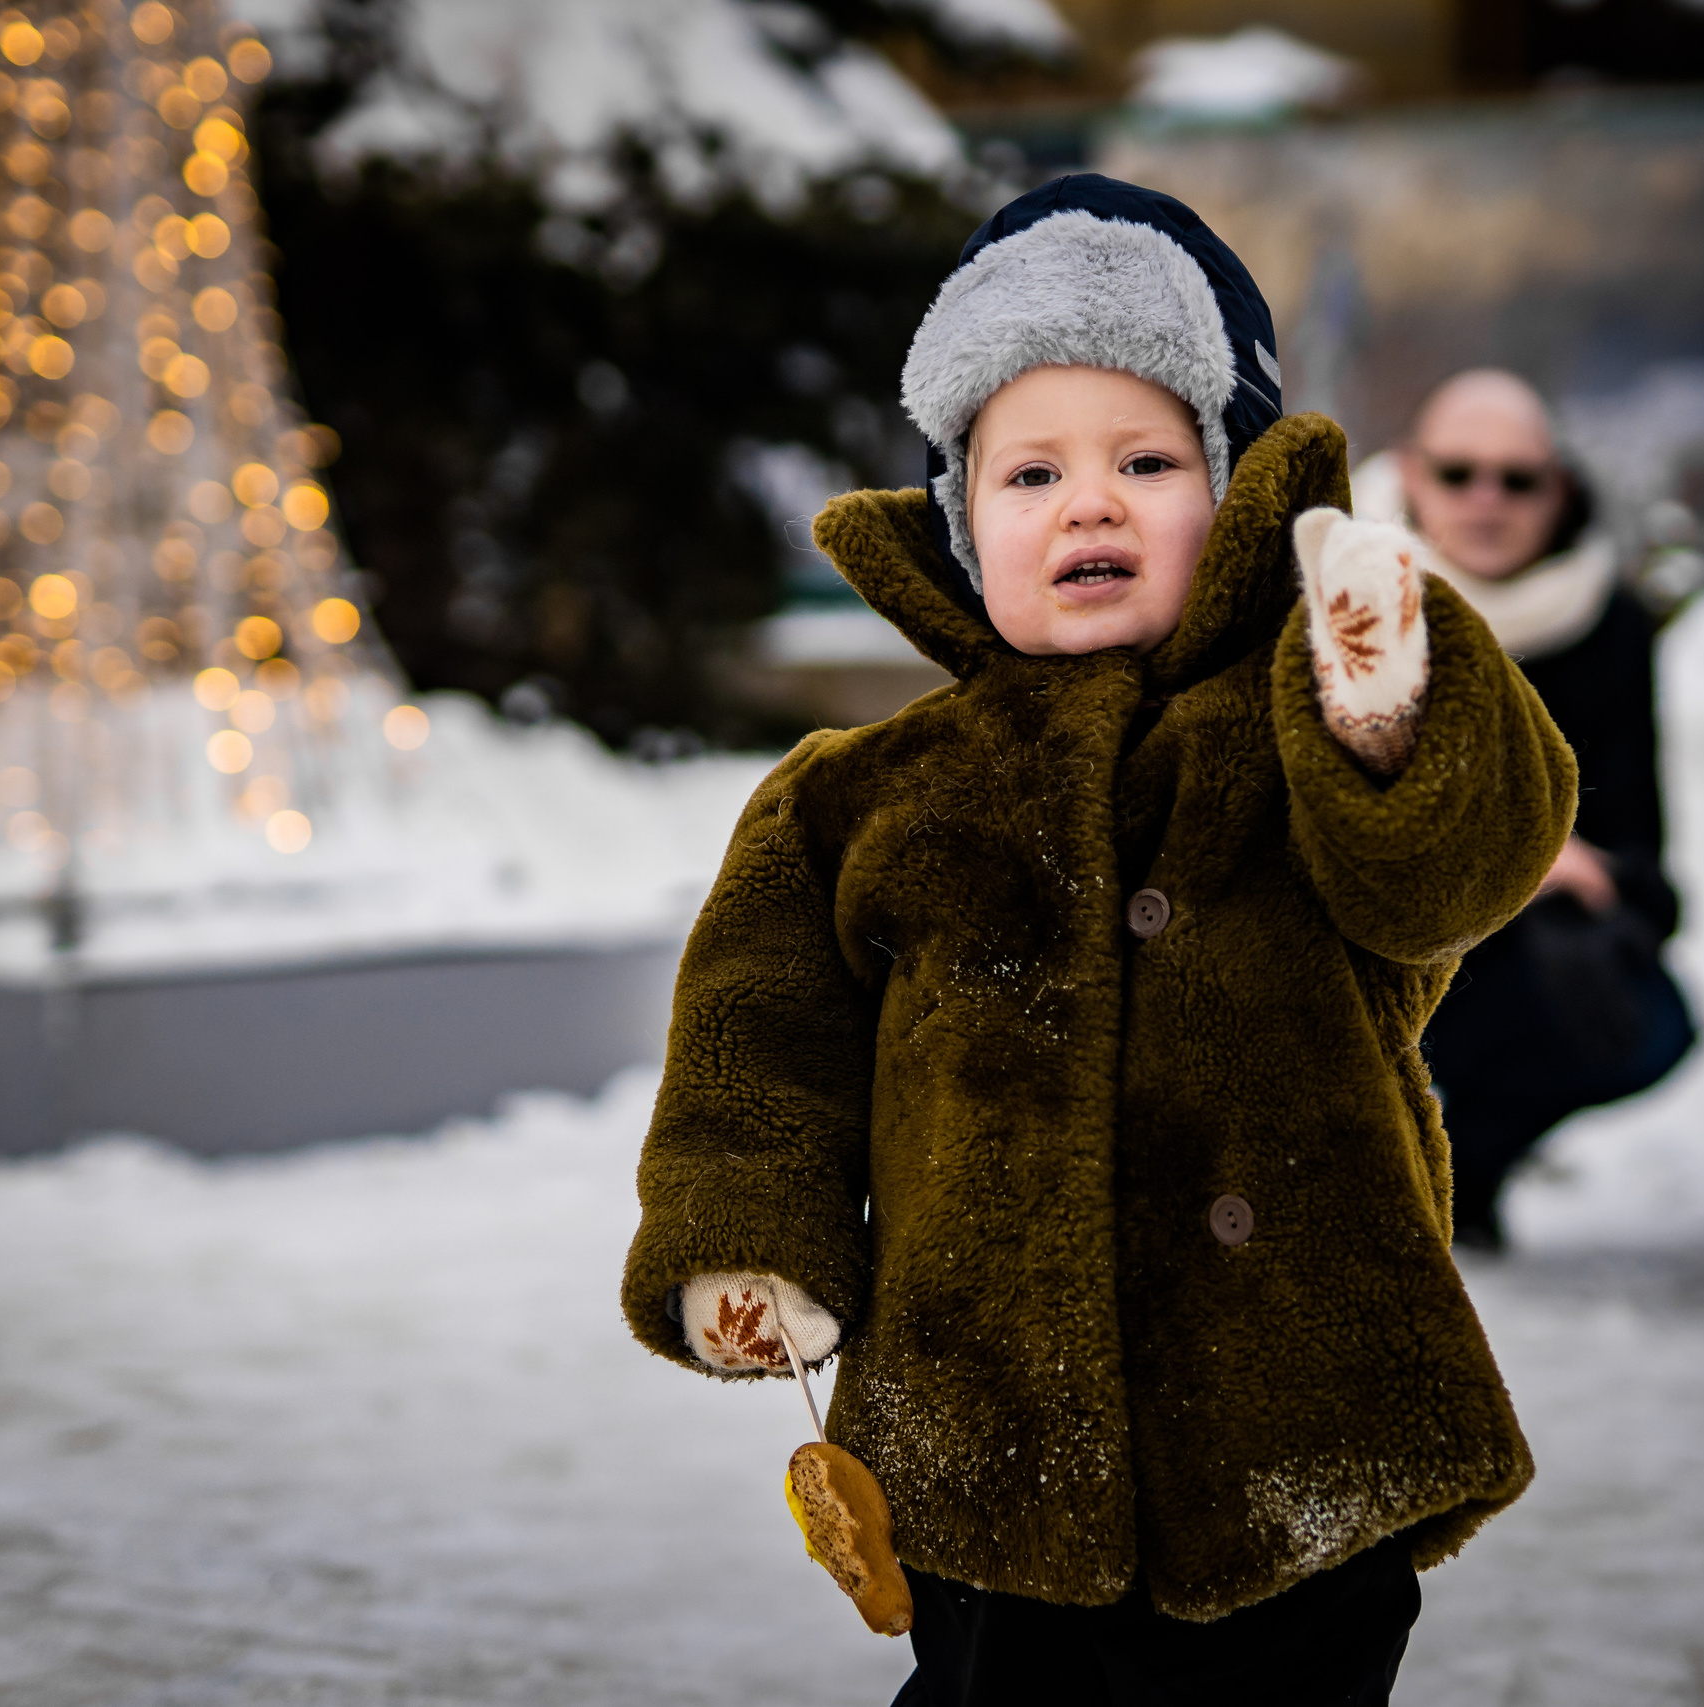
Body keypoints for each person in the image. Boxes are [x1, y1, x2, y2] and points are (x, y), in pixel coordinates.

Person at [620, 176, 1575, 1704]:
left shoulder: (1304, 740)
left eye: (1146, 458)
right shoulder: (857, 799)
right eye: (1029, 473)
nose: (1089, 503)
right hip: (987, 1443)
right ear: (956, 519)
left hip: (1301, 1426)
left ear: (1238, 489)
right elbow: (759, 1043)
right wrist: (747, 1232)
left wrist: (1390, 712)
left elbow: (1454, 877)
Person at [1354, 372, 1693, 1252]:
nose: (1487, 501)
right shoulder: (1345, 603)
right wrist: (1505, 847)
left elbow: (1651, 869)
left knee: (1650, 1023)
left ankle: (1468, 1166)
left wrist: (1594, 869)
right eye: (1459, 473)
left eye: (1518, 479)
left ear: (1561, 489)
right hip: (1373, 930)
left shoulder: (1610, 627)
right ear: (1412, 476)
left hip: (1520, 951)